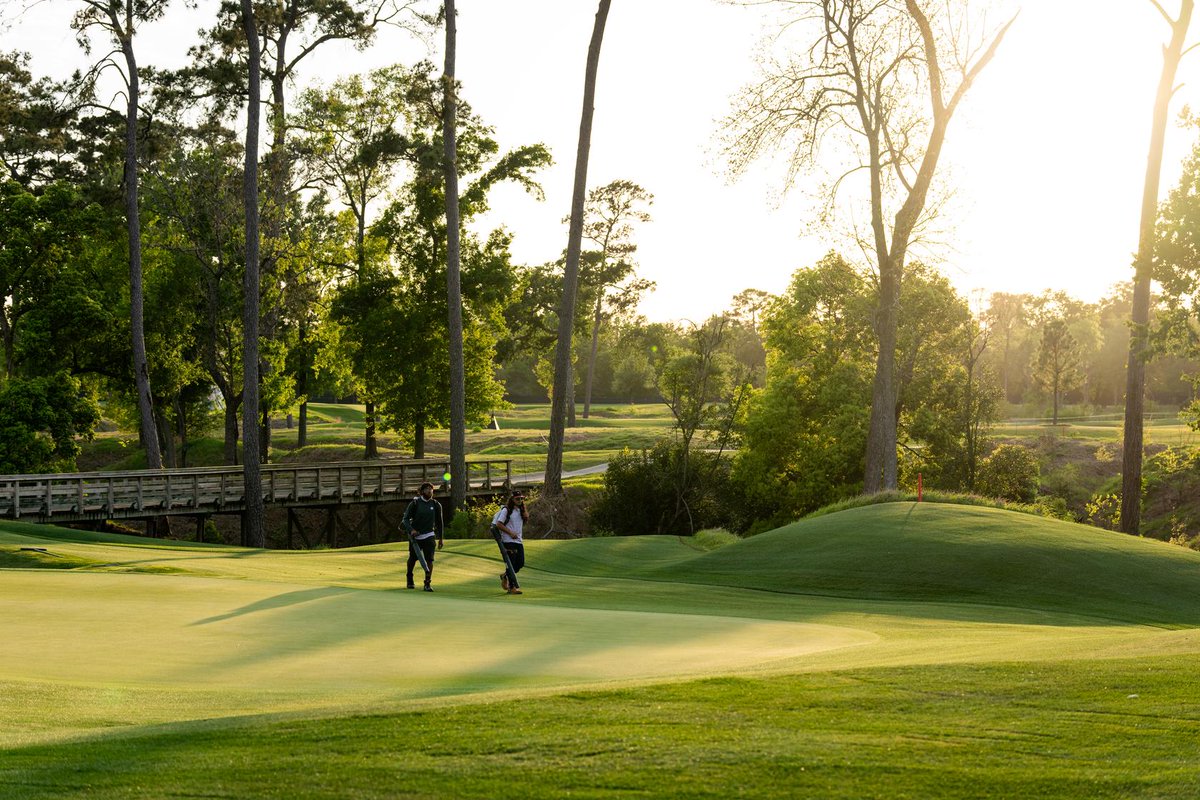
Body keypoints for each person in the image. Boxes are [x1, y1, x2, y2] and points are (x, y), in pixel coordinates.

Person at [402, 481, 444, 591]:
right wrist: (412, 530)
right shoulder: (415, 503)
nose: (430, 491)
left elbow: (440, 522)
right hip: (416, 537)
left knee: (429, 560)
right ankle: (409, 577)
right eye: (427, 489)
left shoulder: (435, 504)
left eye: (431, 489)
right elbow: (405, 520)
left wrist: (440, 539)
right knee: (413, 558)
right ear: (422, 491)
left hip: (429, 535)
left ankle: (427, 582)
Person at [491, 490, 528, 595]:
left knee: (520, 563)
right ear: (512, 499)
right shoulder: (507, 510)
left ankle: (505, 576)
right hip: (508, 540)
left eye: (521, 498)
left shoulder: (521, 510)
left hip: (518, 540)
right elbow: (499, 524)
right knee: (511, 563)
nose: (520, 500)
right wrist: (510, 532)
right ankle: (512, 587)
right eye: (517, 499)